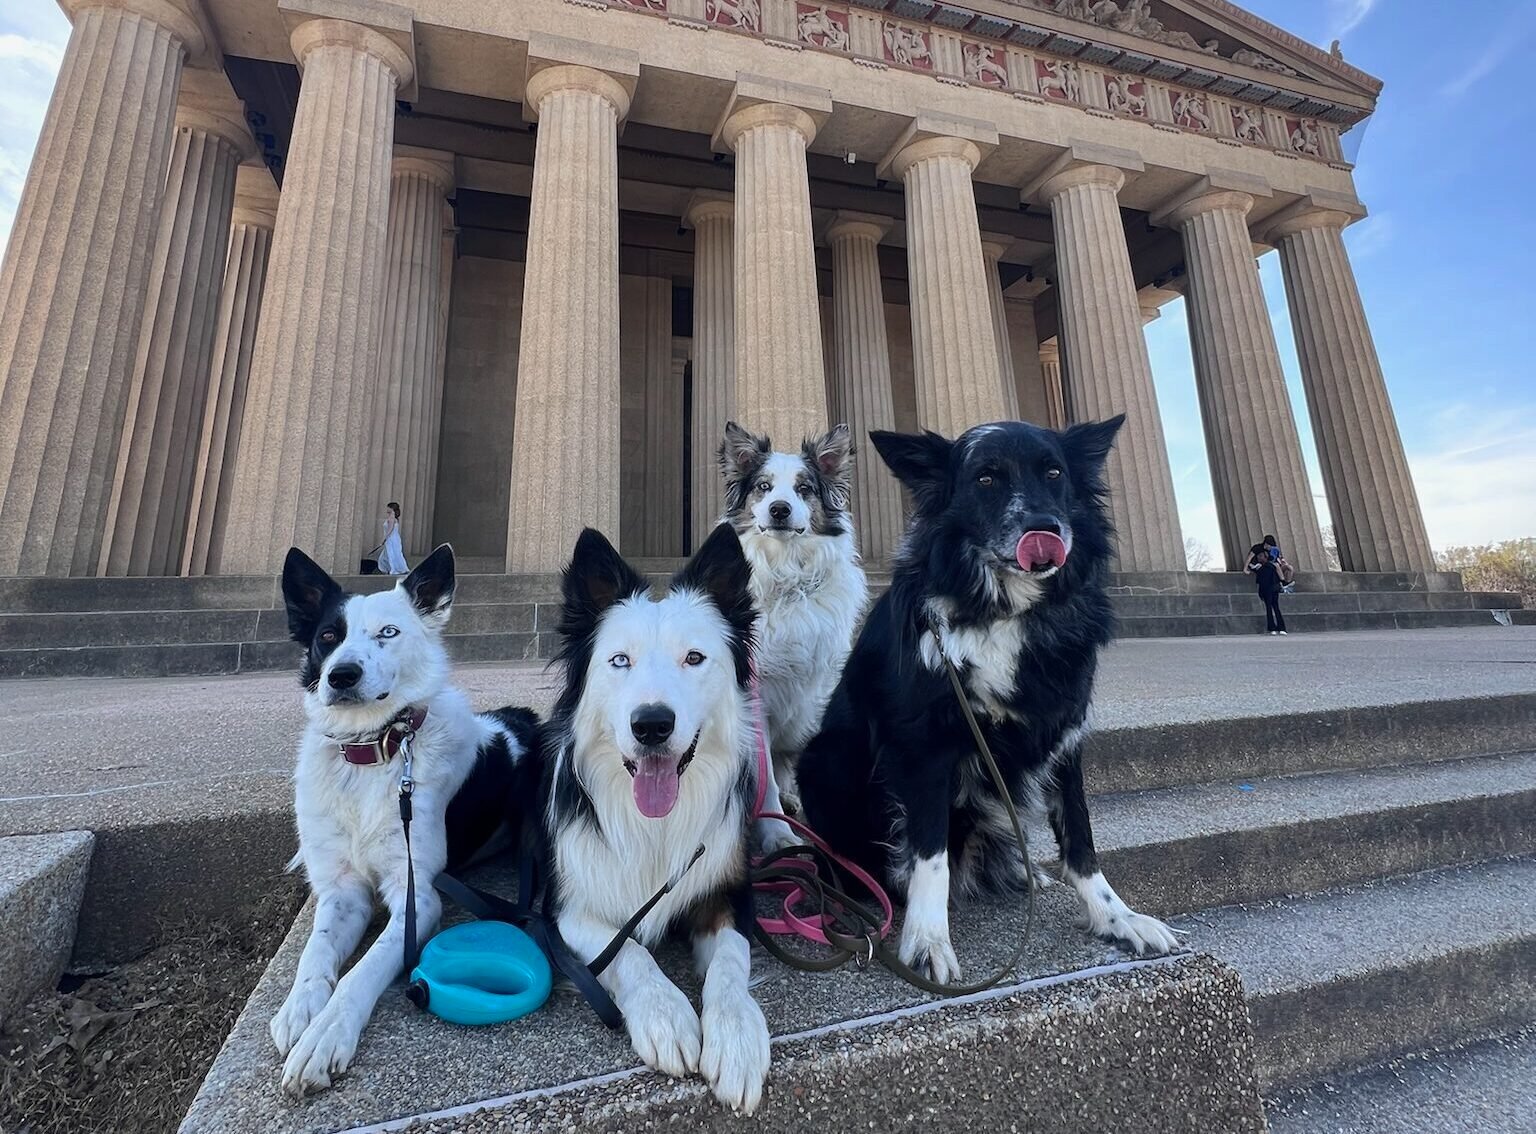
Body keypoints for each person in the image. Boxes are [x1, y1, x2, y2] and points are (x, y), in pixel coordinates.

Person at [1246, 541, 1287, 635]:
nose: (1258, 557)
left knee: (1269, 609)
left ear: (1265, 557)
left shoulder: (1261, 569)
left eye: (1260, 556)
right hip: (1274, 589)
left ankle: (1272, 628)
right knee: (1276, 608)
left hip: (1267, 590)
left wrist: (1261, 593)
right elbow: (1276, 579)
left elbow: (1260, 582)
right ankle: (1281, 628)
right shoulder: (1273, 567)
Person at [380, 502, 409, 575]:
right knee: (394, 553)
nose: (387, 509)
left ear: (392, 508)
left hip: (391, 539)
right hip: (394, 538)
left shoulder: (391, 518)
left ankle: (394, 568)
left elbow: (390, 529)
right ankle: (395, 568)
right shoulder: (394, 518)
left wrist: (384, 538)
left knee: (391, 554)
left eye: (388, 507)